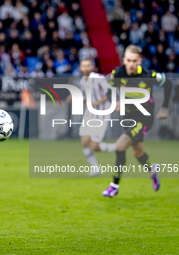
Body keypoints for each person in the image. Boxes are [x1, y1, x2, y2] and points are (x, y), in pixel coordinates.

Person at [102, 45, 172, 197]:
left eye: (134, 60)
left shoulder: (148, 75)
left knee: (119, 147)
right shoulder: (118, 73)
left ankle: (114, 185)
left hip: (144, 118)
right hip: (127, 118)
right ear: (124, 60)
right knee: (138, 153)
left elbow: (168, 84)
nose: (131, 64)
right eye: (128, 60)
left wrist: (165, 107)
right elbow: (109, 92)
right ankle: (153, 170)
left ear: (140, 61)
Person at [67, 59, 116, 176]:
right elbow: (87, 99)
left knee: (94, 146)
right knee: (84, 142)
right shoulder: (83, 81)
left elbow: (110, 92)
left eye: (88, 66)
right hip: (90, 114)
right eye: (83, 66)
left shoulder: (98, 78)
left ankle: (118, 147)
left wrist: (97, 102)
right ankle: (95, 168)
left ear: (92, 67)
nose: (85, 68)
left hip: (102, 113)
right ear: (80, 68)